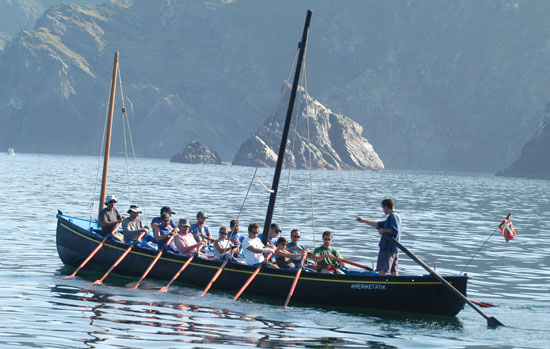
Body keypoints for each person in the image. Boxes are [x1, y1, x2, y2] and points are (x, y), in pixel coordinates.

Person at [355, 197, 401, 276]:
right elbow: (378, 224)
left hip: (387, 247)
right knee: (394, 271)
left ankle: (381, 285)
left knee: (382, 270)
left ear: (386, 207)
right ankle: (395, 285)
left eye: (383, 208)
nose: (383, 210)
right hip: (394, 248)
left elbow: (394, 230)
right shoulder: (395, 216)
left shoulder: (392, 216)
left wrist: (383, 231)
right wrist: (363, 220)